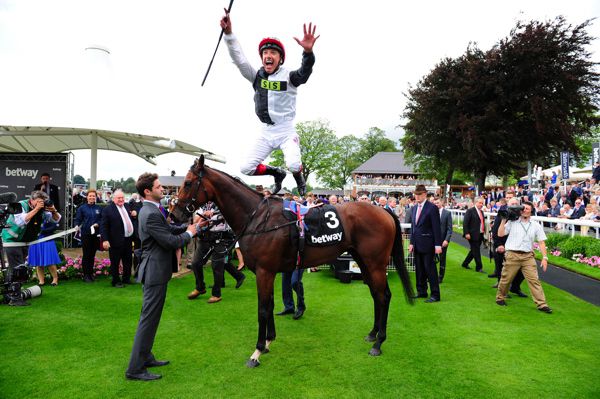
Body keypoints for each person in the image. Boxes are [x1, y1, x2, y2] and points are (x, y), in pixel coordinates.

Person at [220, 11, 319, 196]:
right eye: (265, 52)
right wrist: (229, 35)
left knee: (294, 164)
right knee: (246, 168)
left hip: (285, 131)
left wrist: (308, 52)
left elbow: (305, 72)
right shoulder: (256, 76)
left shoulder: (289, 76)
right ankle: (277, 173)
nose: (268, 55)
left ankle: (299, 179)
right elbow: (238, 59)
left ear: (280, 58)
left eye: (273, 52)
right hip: (266, 132)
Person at [125, 173, 199, 381]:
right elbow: (169, 241)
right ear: (147, 191)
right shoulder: (150, 213)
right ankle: (135, 369)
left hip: (156, 270)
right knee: (148, 320)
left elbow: (168, 229)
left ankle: (146, 357)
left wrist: (191, 227)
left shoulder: (152, 210)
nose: (162, 189)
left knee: (151, 318)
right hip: (154, 272)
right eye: (158, 187)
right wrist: (190, 234)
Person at [495, 201, 552, 313]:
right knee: (506, 279)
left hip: (528, 257)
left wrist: (545, 258)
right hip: (512, 255)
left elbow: (541, 242)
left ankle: (542, 304)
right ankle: (500, 297)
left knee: (534, 280)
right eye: (523, 208)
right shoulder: (512, 222)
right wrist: (503, 220)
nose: (525, 210)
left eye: (527, 208)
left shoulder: (536, 225)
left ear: (531, 210)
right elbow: (500, 234)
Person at [187, 202, 245, 303]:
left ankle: (216, 294)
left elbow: (226, 215)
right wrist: (205, 214)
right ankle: (200, 287)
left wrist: (211, 213)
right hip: (205, 237)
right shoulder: (203, 205)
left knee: (217, 266)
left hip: (221, 238)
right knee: (195, 263)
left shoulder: (223, 203)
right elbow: (196, 220)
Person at [1, 191, 53, 274]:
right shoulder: (21, 205)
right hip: (12, 241)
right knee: (17, 267)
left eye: (43, 202)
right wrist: (36, 209)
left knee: (20, 267)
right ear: (31, 200)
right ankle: (14, 285)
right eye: (39, 201)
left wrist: (53, 211)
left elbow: (54, 220)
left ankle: (15, 284)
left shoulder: (42, 210)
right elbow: (20, 222)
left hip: (24, 241)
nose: (41, 204)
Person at [408, 185, 442, 302]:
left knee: (430, 270)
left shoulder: (432, 208)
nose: (416, 196)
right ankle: (421, 291)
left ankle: (435, 295)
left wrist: (438, 245)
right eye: (415, 194)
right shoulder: (414, 208)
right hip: (417, 244)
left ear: (425, 194)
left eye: (419, 194)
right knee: (419, 270)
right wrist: (411, 242)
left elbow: (436, 227)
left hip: (429, 244)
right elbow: (414, 227)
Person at [490, 196, 526, 296]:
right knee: (502, 269)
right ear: (508, 205)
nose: (514, 206)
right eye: (512, 204)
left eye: (516, 204)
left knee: (522, 270)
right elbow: (495, 231)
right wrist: (499, 245)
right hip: (501, 245)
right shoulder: (503, 214)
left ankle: (515, 287)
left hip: (516, 247)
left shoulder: (522, 216)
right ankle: (502, 290)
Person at [100, 189, 135, 288]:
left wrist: (134, 214)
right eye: (119, 198)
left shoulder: (127, 206)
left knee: (128, 260)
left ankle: (126, 279)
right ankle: (115, 281)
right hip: (115, 240)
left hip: (128, 239)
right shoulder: (108, 209)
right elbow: (104, 226)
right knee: (115, 262)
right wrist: (105, 240)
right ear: (114, 198)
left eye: (122, 197)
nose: (121, 199)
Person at [27, 203, 62, 286]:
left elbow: (56, 222)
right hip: (35, 239)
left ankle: (55, 279)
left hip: (47, 239)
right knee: (38, 262)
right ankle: (41, 281)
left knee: (50, 262)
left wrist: (42, 231)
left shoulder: (49, 213)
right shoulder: (32, 213)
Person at [74, 190, 102, 283]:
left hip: (95, 234)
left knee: (92, 255)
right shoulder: (82, 208)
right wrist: (76, 225)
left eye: (93, 196)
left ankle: (91, 274)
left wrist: (98, 224)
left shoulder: (99, 208)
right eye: (90, 196)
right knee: (86, 254)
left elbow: (102, 220)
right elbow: (78, 219)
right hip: (86, 234)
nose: (92, 197)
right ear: (87, 197)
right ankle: (86, 275)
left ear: (96, 197)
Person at [461, 196, 486, 273]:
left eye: (482, 203)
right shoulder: (470, 211)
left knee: (474, 250)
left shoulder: (481, 212)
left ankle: (465, 263)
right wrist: (466, 233)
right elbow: (465, 223)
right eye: (480, 202)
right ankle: (479, 267)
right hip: (472, 235)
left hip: (480, 234)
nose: (481, 204)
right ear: (475, 202)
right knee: (476, 251)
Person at [434, 198, 452, 283]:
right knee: (431, 259)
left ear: (442, 202)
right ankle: (431, 276)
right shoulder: (432, 212)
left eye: (437, 203)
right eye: (435, 203)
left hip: (443, 241)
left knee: (442, 259)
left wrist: (446, 240)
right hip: (432, 241)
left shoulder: (447, 213)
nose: (436, 204)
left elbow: (449, 229)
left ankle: (440, 277)